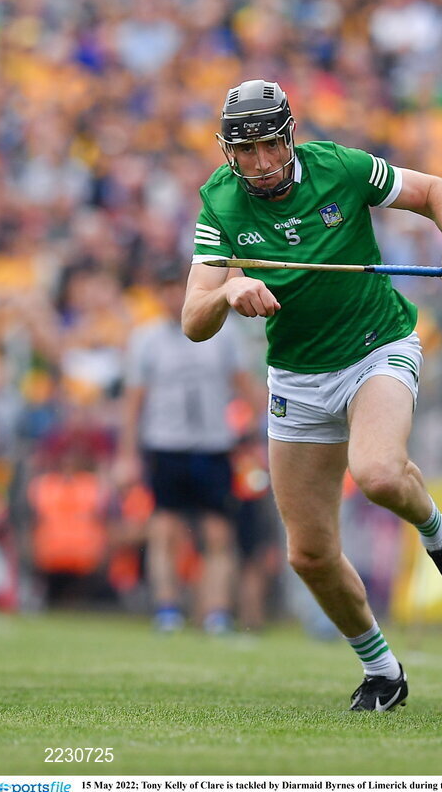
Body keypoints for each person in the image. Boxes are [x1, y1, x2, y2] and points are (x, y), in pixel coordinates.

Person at [182, 79, 442, 712]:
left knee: (377, 473)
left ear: (289, 137)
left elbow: (436, 191)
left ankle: (440, 537)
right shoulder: (220, 203)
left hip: (377, 347)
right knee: (309, 553)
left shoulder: (340, 168)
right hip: (297, 377)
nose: (261, 163)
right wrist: (228, 292)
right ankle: (382, 671)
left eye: (270, 146)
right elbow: (193, 319)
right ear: (228, 151)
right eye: (246, 151)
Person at [116, 260, 260, 635]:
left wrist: (259, 436)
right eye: (164, 288)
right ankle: (167, 609)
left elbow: (246, 388)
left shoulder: (225, 333)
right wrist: (127, 454)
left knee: (218, 533)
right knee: (165, 530)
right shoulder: (146, 338)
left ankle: (216, 613)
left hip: (214, 444)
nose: (170, 295)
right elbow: (133, 402)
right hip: (165, 444)